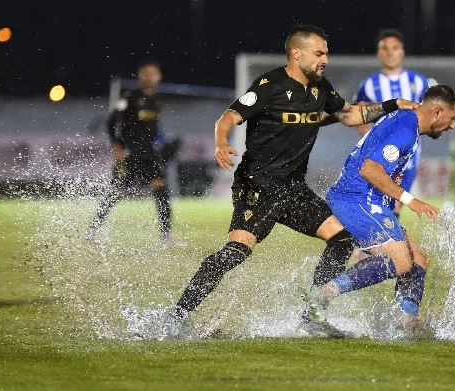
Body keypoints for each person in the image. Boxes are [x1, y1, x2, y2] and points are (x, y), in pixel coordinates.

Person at [167, 25, 418, 336]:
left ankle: (312, 314)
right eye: (319, 53)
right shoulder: (269, 85)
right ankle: (176, 315)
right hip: (258, 186)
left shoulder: (320, 88)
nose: (325, 58)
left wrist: (393, 104)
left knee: (342, 237)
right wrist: (221, 142)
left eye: (326, 52)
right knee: (236, 252)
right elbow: (228, 117)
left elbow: (351, 115)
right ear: (297, 54)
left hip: (294, 189)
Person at [305, 85, 455, 337]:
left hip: (370, 200)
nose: (453, 125)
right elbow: (369, 169)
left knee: (418, 259)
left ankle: (405, 325)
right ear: (438, 111)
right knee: (399, 261)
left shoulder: (408, 123)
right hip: (355, 198)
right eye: (453, 117)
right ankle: (321, 296)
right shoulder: (405, 128)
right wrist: (412, 200)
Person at [87, 60, 182, 246]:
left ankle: (166, 236)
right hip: (130, 152)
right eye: (146, 73)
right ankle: (93, 231)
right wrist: (117, 146)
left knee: (161, 189)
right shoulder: (129, 98)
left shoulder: (158, 99)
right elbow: (111, 122)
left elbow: (152, 128)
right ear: (140, 76)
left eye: (153, 73)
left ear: (159, 77)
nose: (149, 76)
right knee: (118, 191)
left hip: (149, 153)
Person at [354, 29, 432, 217]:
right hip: (379, 159)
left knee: (394, 208)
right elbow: (358, 116)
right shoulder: (369, 85)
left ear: (403, 51)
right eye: (385, 48)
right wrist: (373, 139)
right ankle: (371, 245)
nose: (390, 52)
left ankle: (373, 245)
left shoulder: (420, 82)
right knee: (376, 207)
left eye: (395, 48)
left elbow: (430, 115)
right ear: (379, 53)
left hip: (408, 161)